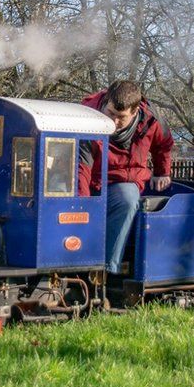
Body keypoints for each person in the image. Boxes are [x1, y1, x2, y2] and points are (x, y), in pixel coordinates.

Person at [77, 80, 174, 274]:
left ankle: (105, 270)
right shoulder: (86, 116)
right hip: (88, 180)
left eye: (120, 117)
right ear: (106, 101)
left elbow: (164, 143)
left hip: (123, 181)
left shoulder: (151, 120)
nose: (113, 121)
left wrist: (162, 172)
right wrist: (83, 205)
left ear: (135, 110)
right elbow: (81, 167)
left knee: (128, 199)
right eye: (110, 113)